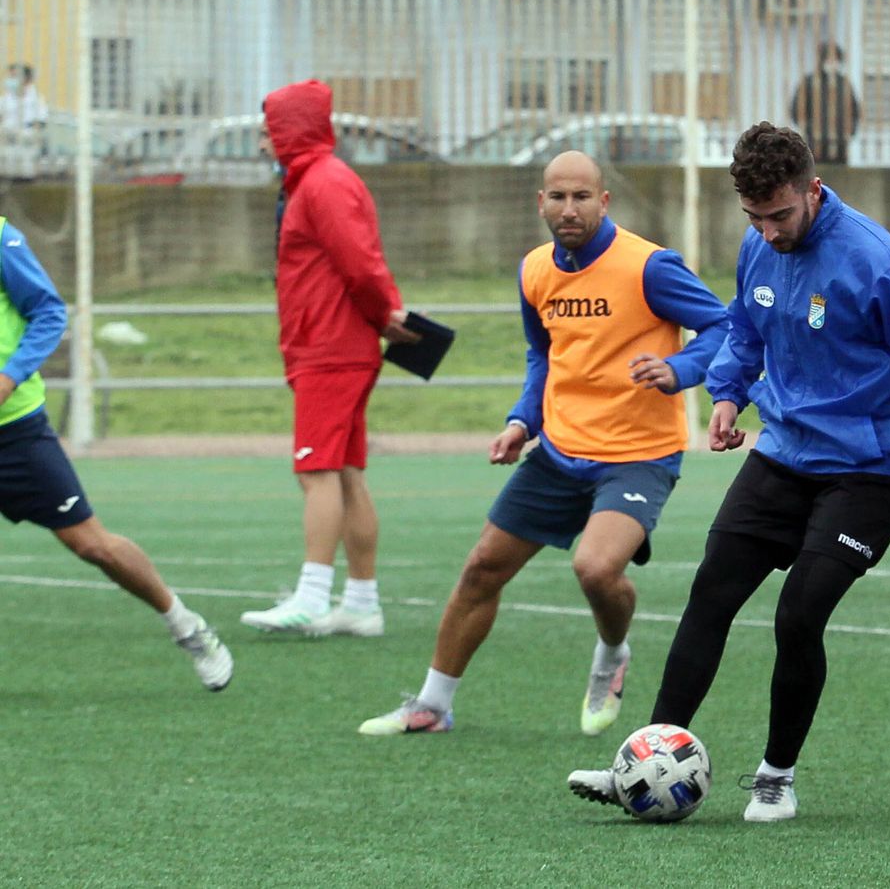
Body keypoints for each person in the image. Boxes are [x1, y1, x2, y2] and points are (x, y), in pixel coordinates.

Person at [567, 122, 890, 823]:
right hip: (785, 451)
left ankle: (776, 778)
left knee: (799, 614)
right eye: (754, 218)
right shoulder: (759, 248)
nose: (769, 232)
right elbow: (744, 330)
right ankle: (644, 755)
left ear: (813, 191)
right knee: (711, 594)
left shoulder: (876, 263)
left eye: (781, 215)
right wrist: (728, 394)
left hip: (872, 468)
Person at [357, 150, 730, 738]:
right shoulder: (534, 270)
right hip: (559, 450)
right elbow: (544, 355)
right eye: (557, 197)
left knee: (595, 570)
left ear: (604, 201)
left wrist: (680, 369)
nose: (569, 208)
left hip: (638, 454)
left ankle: (612, 654)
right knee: (482, 568)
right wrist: (521, 422)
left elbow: (727, 326)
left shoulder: (649, 267)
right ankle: (432, 705)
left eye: (582, 196)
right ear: (541, 203)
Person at [0, 217, 233, 692]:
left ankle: (185, 624)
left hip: (14, 434)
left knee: (92, 545)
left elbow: (48, 311)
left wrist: (9, 377)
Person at [238, 79, 419, 638]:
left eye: (270, 132)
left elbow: (360, 264)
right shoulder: (315, 182)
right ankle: (362, 603)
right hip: (330, 345)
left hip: (332, 348)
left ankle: (313, 595)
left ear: (289, 130)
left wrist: (386, 311)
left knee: (316, 471)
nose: (265, 145)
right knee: (342, 473)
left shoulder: (321, 184)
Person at [789, 41, 861, 165]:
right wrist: (809, 128)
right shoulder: (810, 82)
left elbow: (854, 111)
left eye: (836, 59)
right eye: (830, 59)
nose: (833, 63)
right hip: (815, 142)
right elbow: (796, 109)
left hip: (840, 142)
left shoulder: (844, 84)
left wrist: (850, 130)